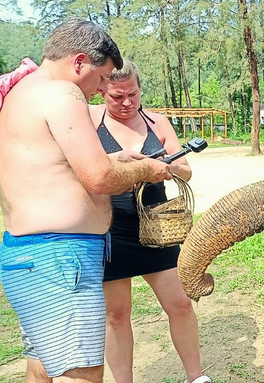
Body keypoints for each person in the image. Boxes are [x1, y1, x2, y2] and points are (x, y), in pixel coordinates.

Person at [0, 19, 172, 383]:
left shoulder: (22, 93)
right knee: (81, 375)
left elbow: (55, 167)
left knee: (43, 366)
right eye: (100, 78)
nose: (97, 90)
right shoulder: (62, 94)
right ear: (79, 62)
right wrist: (145, 171)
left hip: (26, 254)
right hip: (62, 258)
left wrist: (117, 161)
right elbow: (99, 179)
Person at [89, 61, 209, 383]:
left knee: (181, 303)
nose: (127, 102)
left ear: (140, 89)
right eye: (117, 96)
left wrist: (164, 167)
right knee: (116, 314)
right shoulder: (88, 121)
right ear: (102, 91)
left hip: (158, 227)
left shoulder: (157, 122)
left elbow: (185, 170)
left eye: (133, 94)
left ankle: (196, 377)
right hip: (110, 230)